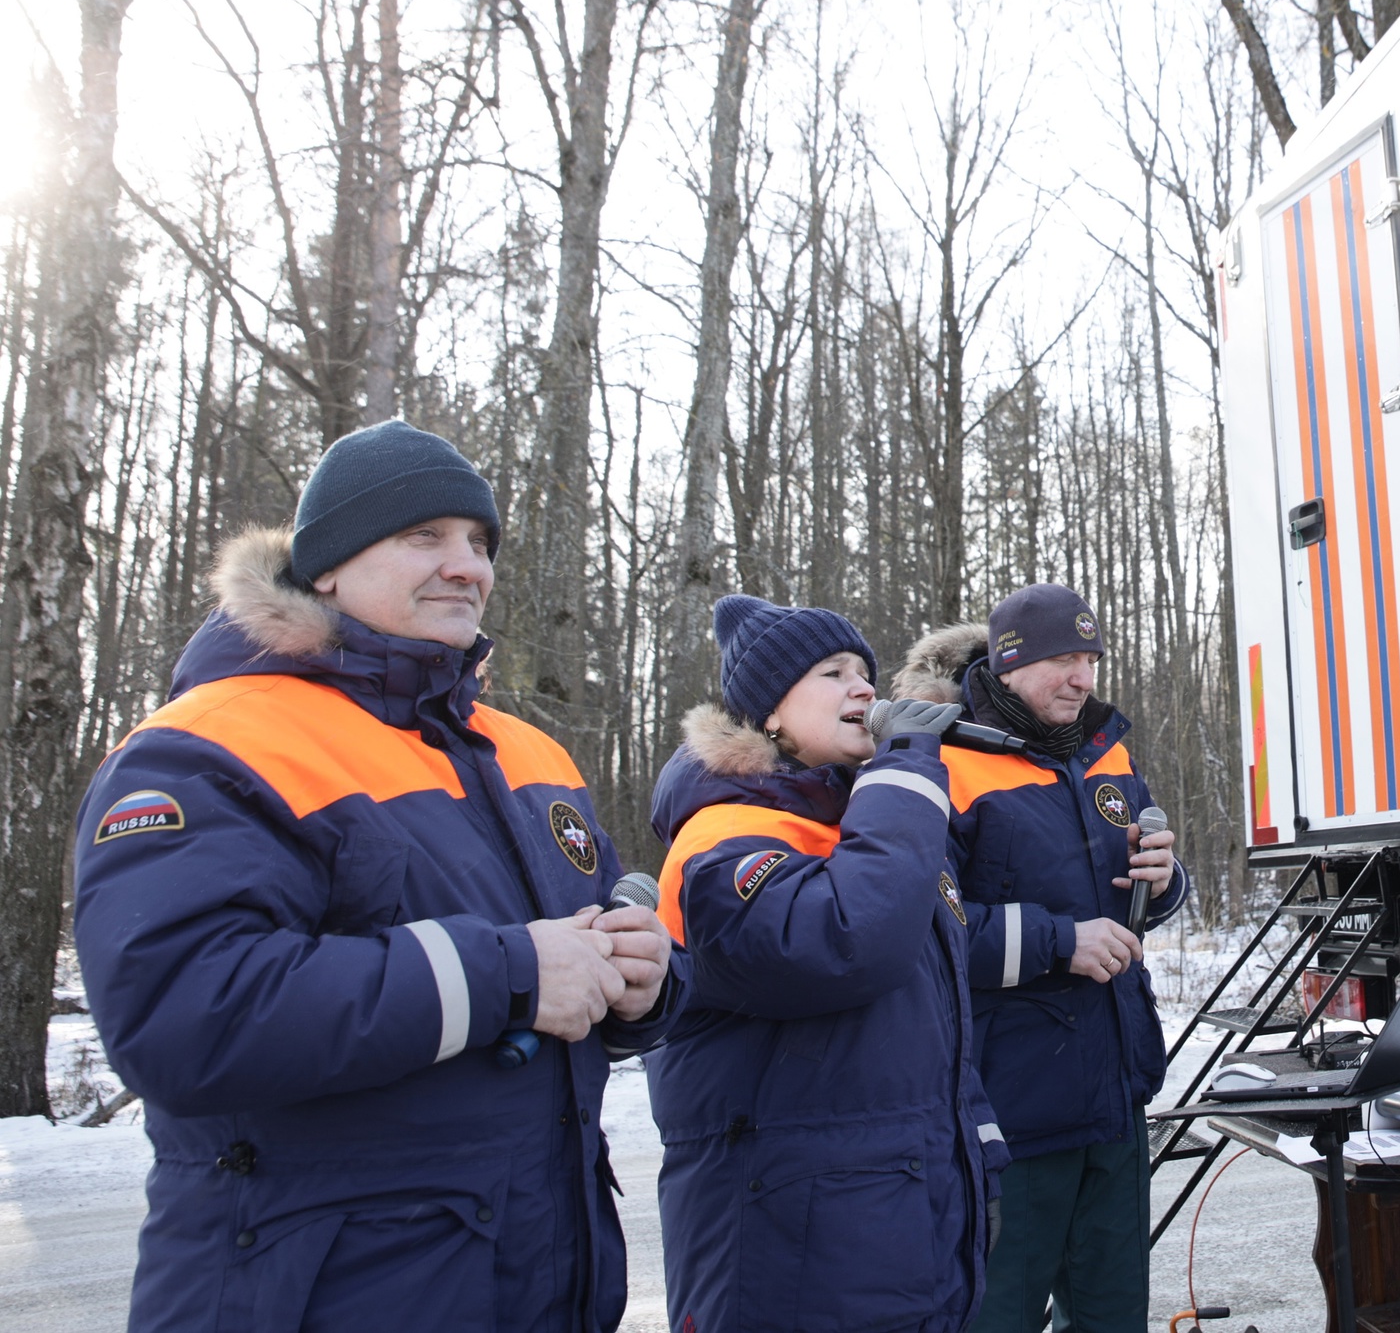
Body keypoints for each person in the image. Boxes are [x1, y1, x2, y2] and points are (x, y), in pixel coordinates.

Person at [73, 419, 677, 1333]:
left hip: (543, 1277)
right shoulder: (212, 743)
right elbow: (180, 1015)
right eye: (421, 536)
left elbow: (576, 972)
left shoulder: (527, 753)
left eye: (478, 543)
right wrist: (510, 975)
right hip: (316, 1291)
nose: (465, 565)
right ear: (326, 566)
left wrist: (644, 983)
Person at [647, 595, 1008, 1333]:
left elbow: (934, 1011)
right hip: (793, 1240)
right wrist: (906, 771)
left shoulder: (863, 823)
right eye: (832, 672)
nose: (864, 689)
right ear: (769, 713)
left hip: (898, 1216)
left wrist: (978, 1158)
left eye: (866, 673)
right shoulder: (726, 838)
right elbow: (849, 942)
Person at [892, 584, 1188, 1333]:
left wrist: (1164, 879)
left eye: (1090, 658)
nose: (1082, 677)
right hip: (1010, 1111)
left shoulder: (1106, 751)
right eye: (1062, 658)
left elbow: (1140, 899)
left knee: (1114, 1319)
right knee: (1000, 1318)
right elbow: (925, 931)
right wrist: (1063, 942)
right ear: (1010, 662)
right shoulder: (946, 760)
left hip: (1116, 1102)